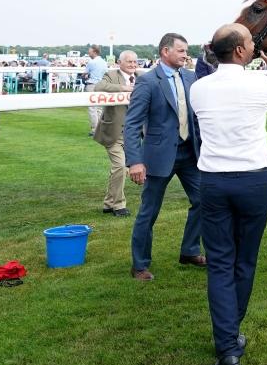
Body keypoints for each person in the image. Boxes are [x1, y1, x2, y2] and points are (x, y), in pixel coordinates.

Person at [191, 23, 267, 365]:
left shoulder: (199, 88)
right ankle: (229, 337)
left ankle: (227, 344)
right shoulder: (258, 82)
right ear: (239, 51)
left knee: (220, 263)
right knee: (244, 261)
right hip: (253, 181)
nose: (255, 46)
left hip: (213, 182)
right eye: (251, 42)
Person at [124, 33, 204, 281]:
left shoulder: (191, 77)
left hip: (190, 154)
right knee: (149, 212)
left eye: (186, 51)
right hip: (158, 157)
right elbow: (132, 124)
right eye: (181, 50)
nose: (185, 55)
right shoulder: (148, 81)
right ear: (165, 51)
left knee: (204, 201)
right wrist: (135, 161)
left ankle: (190, 251)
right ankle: (139, 265)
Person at [93, 50, 140, 217]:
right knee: (120, 166)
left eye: (135, 62)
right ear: (120, 63)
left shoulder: (142, 77)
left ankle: (108, 203)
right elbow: (99, 87)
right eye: (129, 62)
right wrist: (124, 88)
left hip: (133, 134)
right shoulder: (111, 75)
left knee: (119, 169)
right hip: (114, 132)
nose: (133, 65)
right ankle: (119, 205)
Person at [84, 45, 107, 136]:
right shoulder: (104, 62)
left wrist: (85, 76)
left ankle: (95, 129)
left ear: (94, 52)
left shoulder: (91, 62)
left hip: (92, 85)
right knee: (99, 108)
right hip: (101, 85)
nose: (89, 54)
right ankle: (100, 129)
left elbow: (85, 74)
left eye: (90, 52)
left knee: (92, 108)